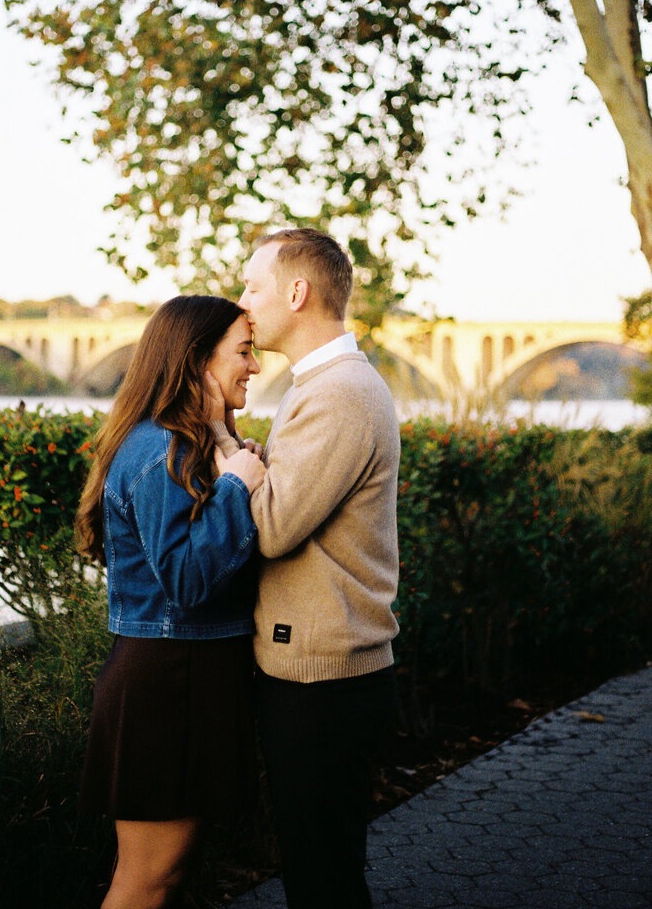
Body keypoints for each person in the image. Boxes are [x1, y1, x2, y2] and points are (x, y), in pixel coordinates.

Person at [213, 228, 401, 909]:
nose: (242, 302)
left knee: (322, 877)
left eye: (253, 285)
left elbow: (267, 528)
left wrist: (218, 445)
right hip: (319, 671)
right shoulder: (320, 385)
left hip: (323, 680)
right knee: (320, 866)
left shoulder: (339, 392)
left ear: (298, 292)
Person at [75, 295, 266, 909]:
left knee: (172, 876)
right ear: (197, 360)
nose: (256, 366)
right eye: (243, 350)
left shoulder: (188, 443)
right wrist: (237, 485)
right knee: (146, 881)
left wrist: (228, 455)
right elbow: (184, 581)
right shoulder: (161, 452)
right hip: (169, 680)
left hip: (190, 673)